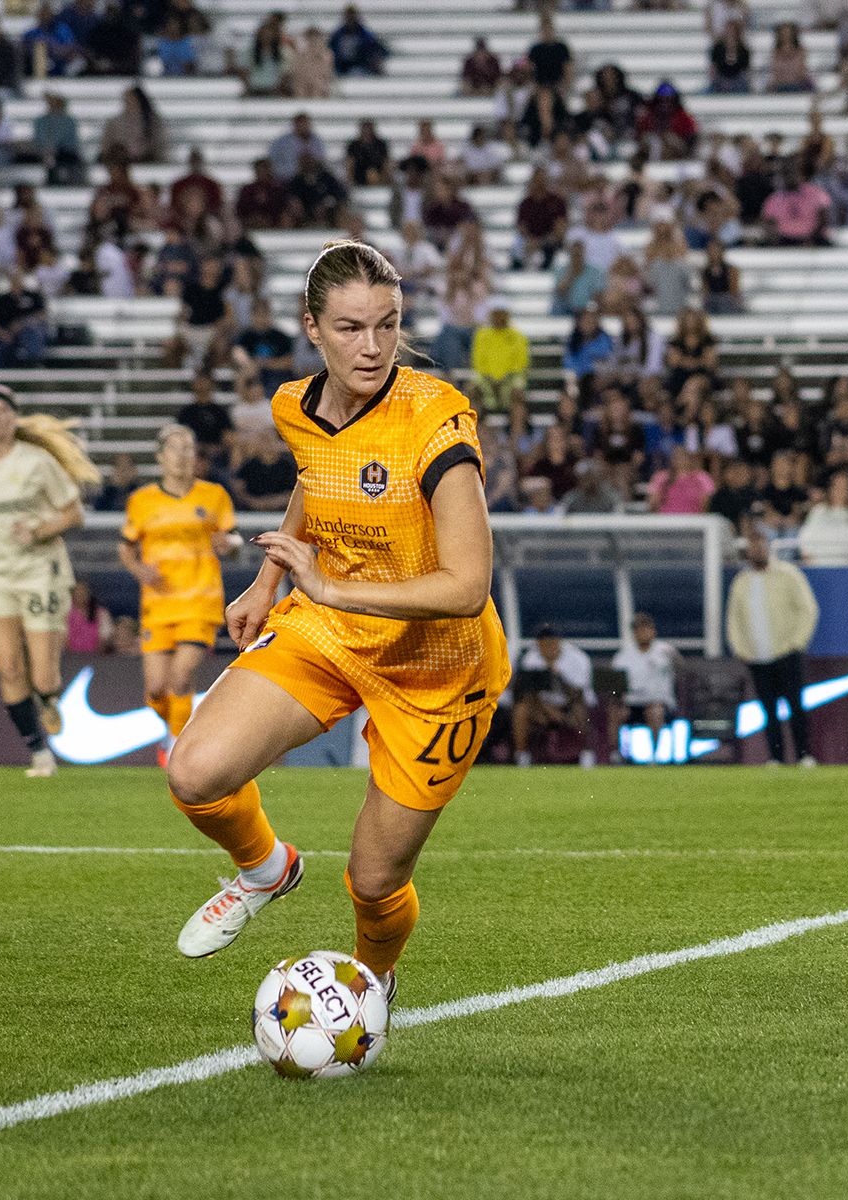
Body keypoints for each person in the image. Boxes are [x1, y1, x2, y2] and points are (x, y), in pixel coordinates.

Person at [165, 241, 506, 1005]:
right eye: (351, 327)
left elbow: (467, 586)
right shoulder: (294, 406)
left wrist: (324, 586)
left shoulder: (435, 420)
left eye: (387, 325)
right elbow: (318, 480)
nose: (374, 346)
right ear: (311, 326)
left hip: (442, 667)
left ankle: (369, 986)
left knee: (375, 879)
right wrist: (270, 578)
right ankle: (265, 868)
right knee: (194, 773)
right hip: (334, 629)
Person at [0, 386, 96, 777]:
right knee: (9, 666)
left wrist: (40, 529)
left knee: (43, 673)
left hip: (38, 569)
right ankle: (38, 752)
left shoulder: (38, 461)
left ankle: (48, 699)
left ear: (14, 418)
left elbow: (73, 513)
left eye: (3, 411)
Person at [122, 423, 240, 766]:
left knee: (181, 675)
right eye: (175, 448)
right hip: (157, 604)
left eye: (189, 447)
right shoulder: (141, 501)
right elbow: (126, 547)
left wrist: (228, 545)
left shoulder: (214, 495)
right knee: (157, 688)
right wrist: (139, 570)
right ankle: (170, 727)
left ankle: (176, 746)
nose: (183, 455)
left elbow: (232, 541)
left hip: (200, 601)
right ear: (160, 456)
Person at [727, 528, 820, 766]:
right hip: (756, 656)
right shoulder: (742, 582)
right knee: (768, 709)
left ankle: (804, 755)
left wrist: (797, 643)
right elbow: (734, 619)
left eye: (760, 544)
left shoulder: (788, 575)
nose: (757, 550)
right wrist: (740, 648)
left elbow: (807, 609)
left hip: (786, 651)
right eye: (752, 545)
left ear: (768, 546)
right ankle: (776, 757)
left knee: (795, 706)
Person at [513, 623, 594, 767]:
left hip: (569, 706)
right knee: (521, 709)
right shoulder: (531, 658)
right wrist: (547, 709)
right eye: (543, 645)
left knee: (580, 710)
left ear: (558, 642)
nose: (547, 648)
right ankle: (522, 756)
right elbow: (527, 693)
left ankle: (587, 755)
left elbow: (580, 695)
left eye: (551, 643)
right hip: (542, 707)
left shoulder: (578, 658)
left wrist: (559, 677)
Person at [610, 613, 681, 759]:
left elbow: (681, 669)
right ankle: (616, 754)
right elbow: (616, 685)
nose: (643, 634)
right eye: (639, 630)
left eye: (647, 630)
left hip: (659, 702)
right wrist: (620, 702)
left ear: (653, 631)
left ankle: (655, 755)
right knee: (614, 712)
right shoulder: (623, 656)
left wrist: (675, 658)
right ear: (634, 633)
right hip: (632, 703)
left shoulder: (664, 651)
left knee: (655, 711)